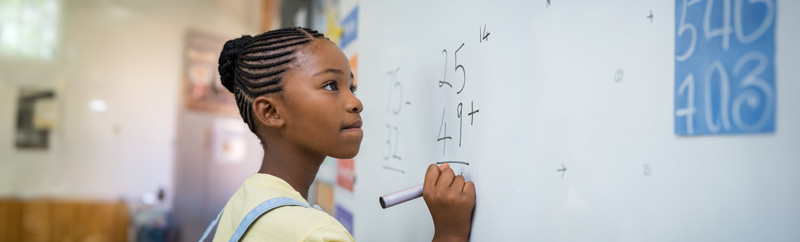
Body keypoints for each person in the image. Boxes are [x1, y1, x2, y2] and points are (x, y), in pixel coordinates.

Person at [204, 27, 475, 242]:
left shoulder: (245, 202)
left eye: (352, 88)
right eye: (331, 85)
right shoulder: (314, 235)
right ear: (271, 112)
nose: (356, 103)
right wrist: (449, 234)